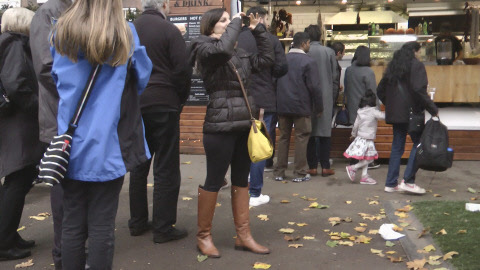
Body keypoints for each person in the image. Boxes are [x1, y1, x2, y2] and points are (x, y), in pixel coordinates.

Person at [50, 0, 152, 268]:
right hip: (109, 144)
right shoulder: (125, 32)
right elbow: (141, 78)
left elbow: (55, 79)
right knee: (102, 227)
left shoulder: (61, 30)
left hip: (69, 144)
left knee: (71, 224)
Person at [187, 8, 274, 258]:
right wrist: (236, 20)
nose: (229, 23)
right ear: (211, 25)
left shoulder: (239, 53)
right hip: (219, 126)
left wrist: (258, 30)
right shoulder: (203, 48)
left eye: (229, 20)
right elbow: (222, 50)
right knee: (214, 181)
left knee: (241, 181)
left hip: (244, 127)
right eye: (223, 20)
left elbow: (267, 60)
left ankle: (243, 235)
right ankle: (203, 236)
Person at [128, 0, 190, 243]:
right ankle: (163, 227)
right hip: (165, 102)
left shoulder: (129, 29)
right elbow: (183, 70)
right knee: (166, 166)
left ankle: (137, 222)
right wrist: (179, 99)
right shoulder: (169, 31)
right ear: (164, 5)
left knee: (139, 165)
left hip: (137, 103)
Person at [29, 0, 73, 268]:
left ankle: (74, 248)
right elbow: (46, 68)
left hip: (80, 119)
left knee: (78, 191)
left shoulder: (80, 10)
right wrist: (80, 93)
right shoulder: (47, 13)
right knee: (63, 190)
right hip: (59, 117)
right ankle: (63, 254)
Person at [0, 7, 43, 261]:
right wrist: (39, 107)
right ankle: (5, 242)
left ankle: (8, 234)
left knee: (17, 180)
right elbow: (17, 84)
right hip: (20, 124)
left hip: (13, 123)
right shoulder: (15, 44)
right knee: (19, 179)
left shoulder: (9, 43)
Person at [237, 6, 288, 207]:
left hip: (239, 98)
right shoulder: (271, 40)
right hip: (263, 98)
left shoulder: (237, 38)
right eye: (265, 19)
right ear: (258, 18)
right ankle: (255, 193)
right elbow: (282, 68)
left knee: (242, 145)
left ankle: (241, 188)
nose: (267, 23)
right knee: (258, 145)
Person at [377, 41, 438, 194]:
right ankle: (408, 180)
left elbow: (380, 90)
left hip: (397, 114)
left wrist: (391, 105)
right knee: (419, 144)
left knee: (397, 147)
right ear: (416, 51)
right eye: (419, 52)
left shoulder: (393, 67)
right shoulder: (416, 66)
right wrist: (432, 109)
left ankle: (391, 183)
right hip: (412, 113)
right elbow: (419, 90)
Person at [274, 32, 323, 183]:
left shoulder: (282, 60)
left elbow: (274, 82)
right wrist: (319, 107)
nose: (309, 46)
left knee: (283, 138)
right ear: (304, 43)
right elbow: (314, 87)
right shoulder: (308, 61)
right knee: (301, 138)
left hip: (282, 105)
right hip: (302, 106)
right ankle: (299, 172)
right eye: (308, 43)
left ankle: (279, 171)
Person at [304, 25, 337, 178]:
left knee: (309, 132)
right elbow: (335, 77)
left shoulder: (304, 52)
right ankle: (325, 166)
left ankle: (311, 166)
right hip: (325, 96)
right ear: (321, 36)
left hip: (307, 96)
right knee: (325, 133)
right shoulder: (329, 52)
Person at [344, 46, 380, 168]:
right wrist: (377, 110)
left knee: (357, 135)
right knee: (365, 136)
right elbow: (373, 92)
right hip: (366, 108)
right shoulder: (368, 71)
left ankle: (354, 159)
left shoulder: (349, 70)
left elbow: (346, 88)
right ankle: (363, 161)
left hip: (353, 106)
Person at [344, 90, 385, 184]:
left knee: (365, 157)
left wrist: (353, 134)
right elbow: (382, 116)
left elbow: (355, 125)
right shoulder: (373, 111)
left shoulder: (360, 111)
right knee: (370, 158)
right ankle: (353, 168)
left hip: (360, 138)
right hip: (367, 139)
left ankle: (364, 176)